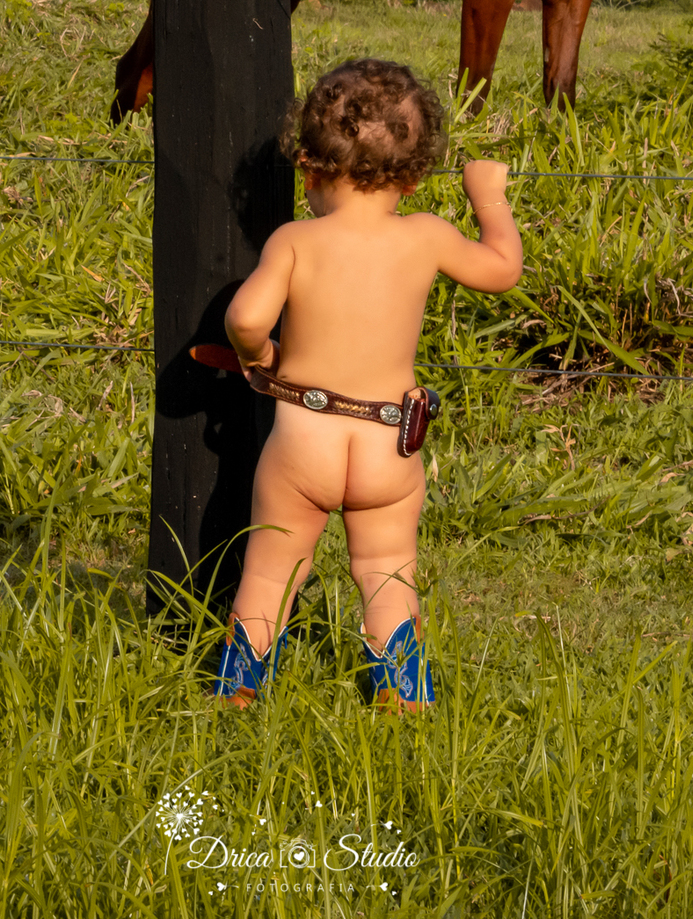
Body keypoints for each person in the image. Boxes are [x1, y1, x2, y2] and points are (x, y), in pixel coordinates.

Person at [214, 57, 523, 710]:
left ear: (308, 166)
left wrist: (260, 353)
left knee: (272, 571)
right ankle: (402, 694)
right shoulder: (427, 237)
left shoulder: (296, 241)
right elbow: (501, 270)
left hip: (303, 437)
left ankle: (238, 690)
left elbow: (244, 316)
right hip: (388, 441)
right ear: (413, 177)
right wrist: (488, 197)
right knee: (386, 572)